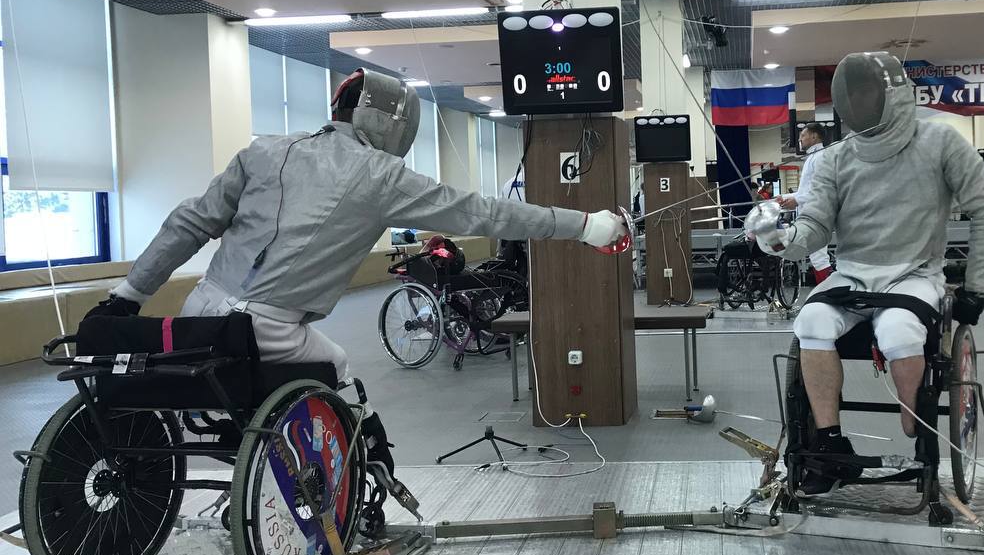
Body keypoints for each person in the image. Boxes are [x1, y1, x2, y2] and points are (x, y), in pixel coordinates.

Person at [86, 67, 626, 474]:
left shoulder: (264, 151)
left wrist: (128, 294)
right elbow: (485, 213)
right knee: (338, 367)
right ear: (394, 123)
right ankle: (354, 475)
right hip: (267, 330)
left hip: (200, 311)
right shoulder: (380, 176)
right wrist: (584, 225)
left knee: (231, 380)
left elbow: (189, 222)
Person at [747, 52, 984, 496]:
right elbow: (814, 228)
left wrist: (976, 288)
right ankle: (830, 443)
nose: (858, 102)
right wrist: (779, 240)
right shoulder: (833, 160)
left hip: (914, 274)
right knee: (810, 322)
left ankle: (915, 427)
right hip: (852, 275)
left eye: (866, 93)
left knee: (898, 331)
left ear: (893, 94)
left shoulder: (940, 142)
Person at [778, 122, 834, 283]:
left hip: (818, 214)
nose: (800, 139)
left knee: (818, 257)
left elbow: (822, 189)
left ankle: (829, 292)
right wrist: (784, 197)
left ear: (814, 136)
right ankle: (828, 291)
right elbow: (806, 191)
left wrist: (797, 200)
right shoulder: (813, 157)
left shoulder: (821, 157)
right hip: (811, 214)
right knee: (817, 256)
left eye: (803, 135)